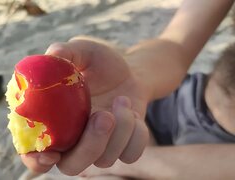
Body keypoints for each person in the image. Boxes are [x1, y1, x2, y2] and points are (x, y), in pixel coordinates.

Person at [20, 0, 235, 179]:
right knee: (89, 45)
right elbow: (177, 42)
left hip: (214, 158)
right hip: (182, 97)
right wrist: (136, 76)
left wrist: (132, 164)